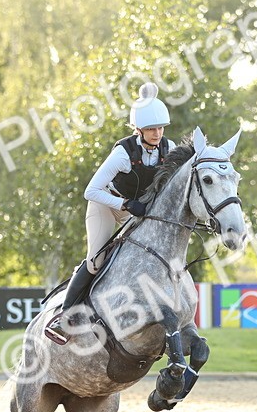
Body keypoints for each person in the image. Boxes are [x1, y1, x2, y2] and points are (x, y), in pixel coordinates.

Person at [45, 83, 177, 344]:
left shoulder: (168, 148)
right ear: (138, 130)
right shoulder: (122, 154)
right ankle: (63, 317)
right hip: (106, 205)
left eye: (160, 128)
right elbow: (90, 190)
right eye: (151, 129)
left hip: (136, 212)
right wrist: (126, 204)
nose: (157, 133)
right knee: (96, 260)